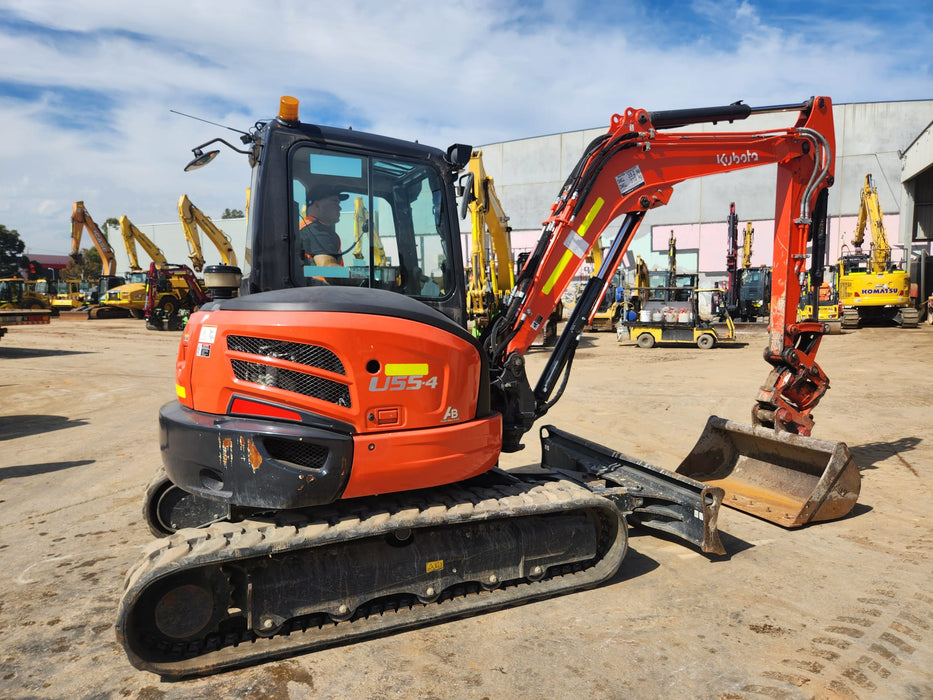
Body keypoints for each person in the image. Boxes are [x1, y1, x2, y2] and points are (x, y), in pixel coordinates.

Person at [298, 184, 349, 267]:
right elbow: (328, 269)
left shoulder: (305, 227)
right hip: (322, 280)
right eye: (334, 202)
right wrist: (358, 275)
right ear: (317, 205)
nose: (340, 208)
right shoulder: (317, 231)